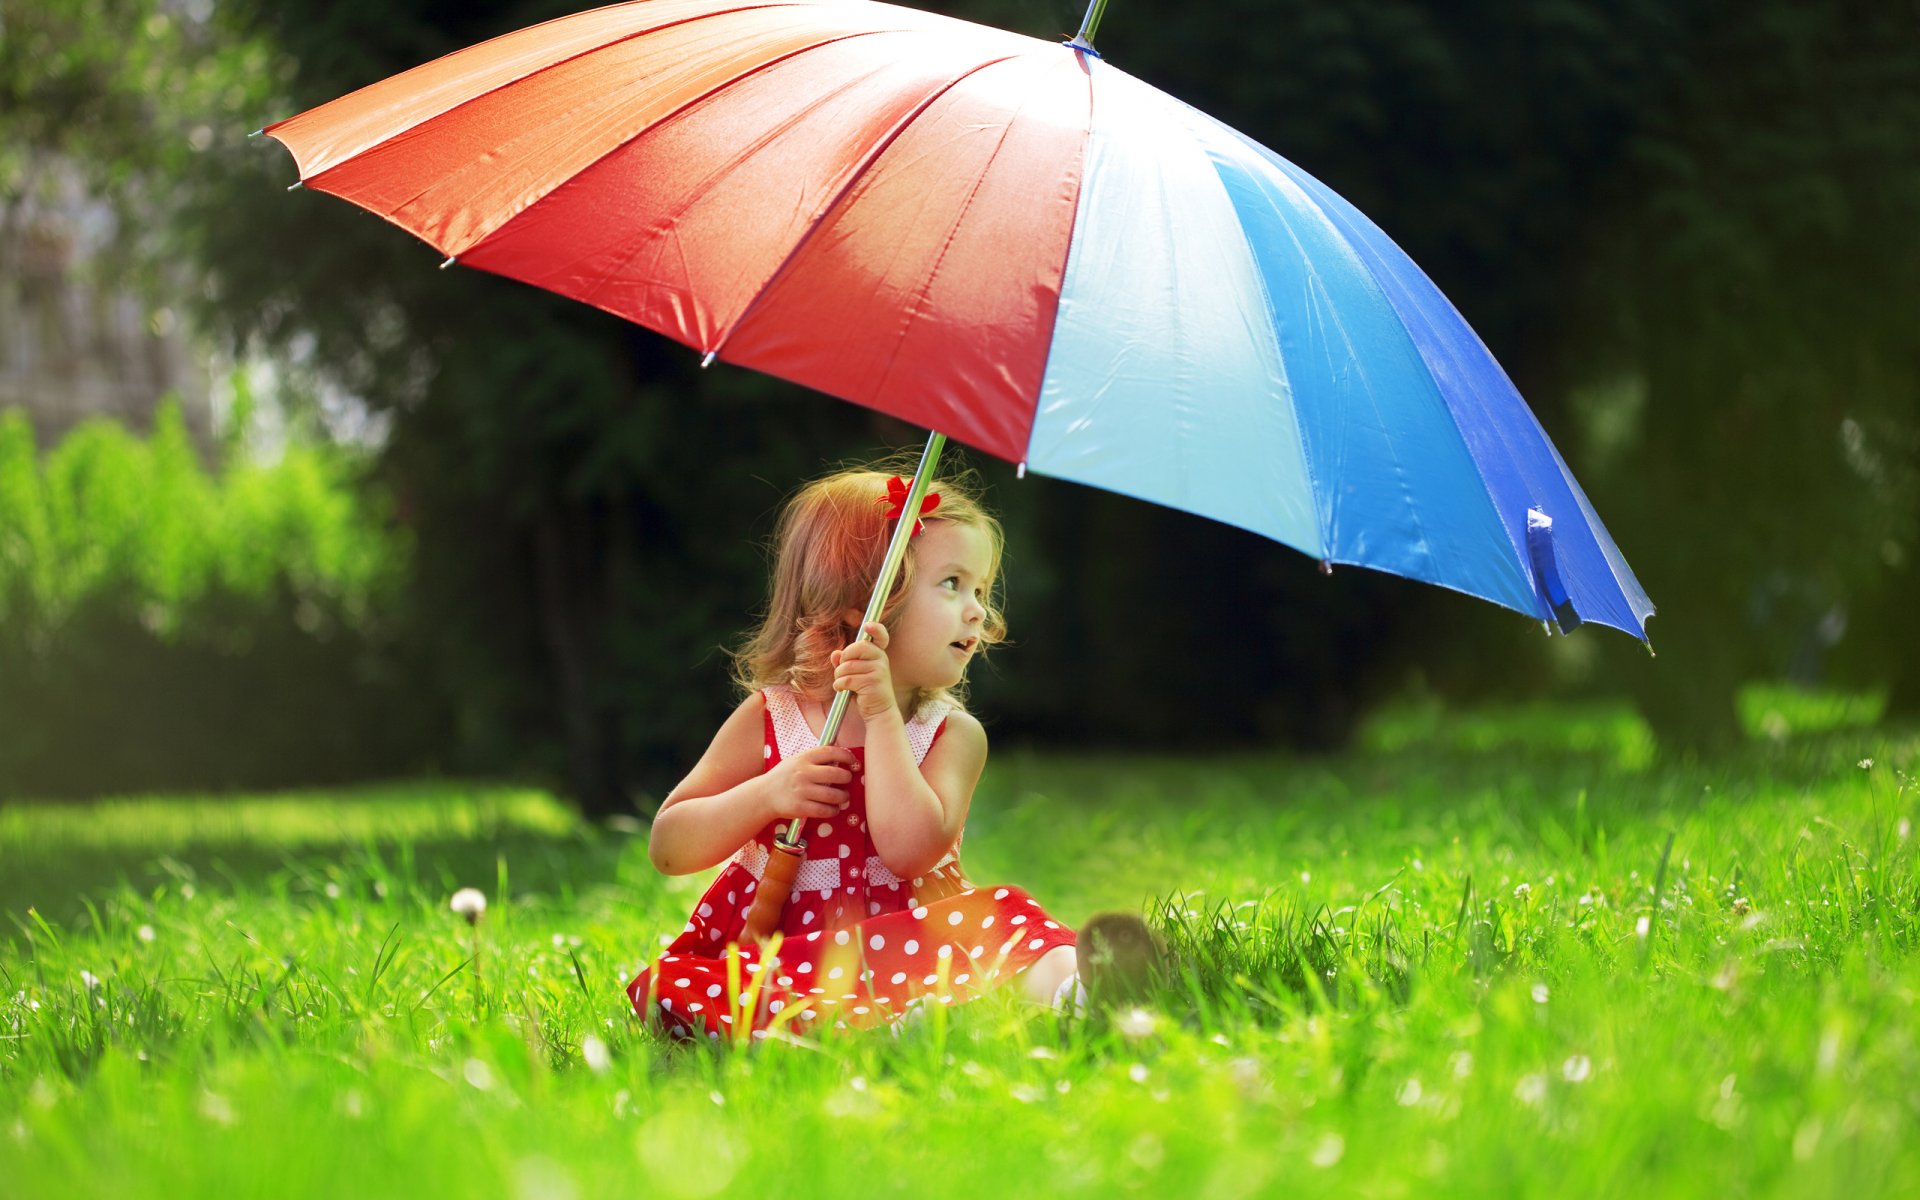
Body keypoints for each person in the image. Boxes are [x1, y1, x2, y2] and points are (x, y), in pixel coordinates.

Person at [626, 463, 1160, 1041]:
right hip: (789, 959)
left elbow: (909, 852)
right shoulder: (770, 719)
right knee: (691, 986)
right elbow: (670, 848)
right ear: (863, 603)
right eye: (952, 584)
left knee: (1006, 918)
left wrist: (881, 716)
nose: (978, 609)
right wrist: (767, 793)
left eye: (980, 589)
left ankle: (1077, 992)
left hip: (917, 946)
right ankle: (856, 1030)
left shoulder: (949, 733)